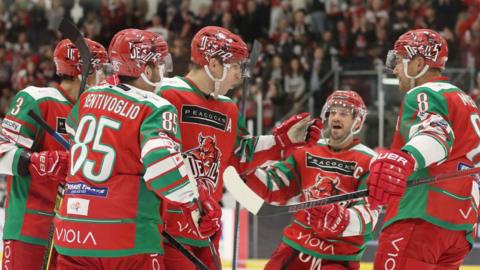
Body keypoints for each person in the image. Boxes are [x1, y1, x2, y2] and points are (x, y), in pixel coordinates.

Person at [156, 25, 321, 269]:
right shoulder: (165, 94)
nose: (240, 75)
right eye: (234, 66)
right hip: (166, 232)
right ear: (212, 65)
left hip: (206, 231)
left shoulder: (228, 109)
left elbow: (236, 158)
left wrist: (281, 140)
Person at [53, 28, 218, 270]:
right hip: (125, 236)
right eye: (160, 63)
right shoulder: (155, 107)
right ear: (146, 69)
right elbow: (163, 168)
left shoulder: (88, 98)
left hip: (72, 233)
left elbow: (73, 129)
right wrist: (195, 206)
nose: (163, 71)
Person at [367, 28, 480, 269]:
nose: (395, 69)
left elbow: (436, 133)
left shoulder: (423, 92)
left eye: (399, 61)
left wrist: (406, 159)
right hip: (462, 227)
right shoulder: (465, 100)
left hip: (422, 213)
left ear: (418, 64)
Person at [0, 38, 108, 270]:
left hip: (80, 235)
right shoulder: (38, 99)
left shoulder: (99, 112)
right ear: (82, 71)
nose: (105, 77)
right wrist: (36, 162)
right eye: (100, 69)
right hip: (32, 228)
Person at [241, 90, 379, 270]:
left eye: (344, 114)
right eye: (333, 112)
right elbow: (275, 187)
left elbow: (370, 216)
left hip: (338, 257)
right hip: (296, 247)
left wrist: (343, 219)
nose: (336, 118)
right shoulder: (308, 150)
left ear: (357, 122)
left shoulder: (370, 161)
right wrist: (247, 166)